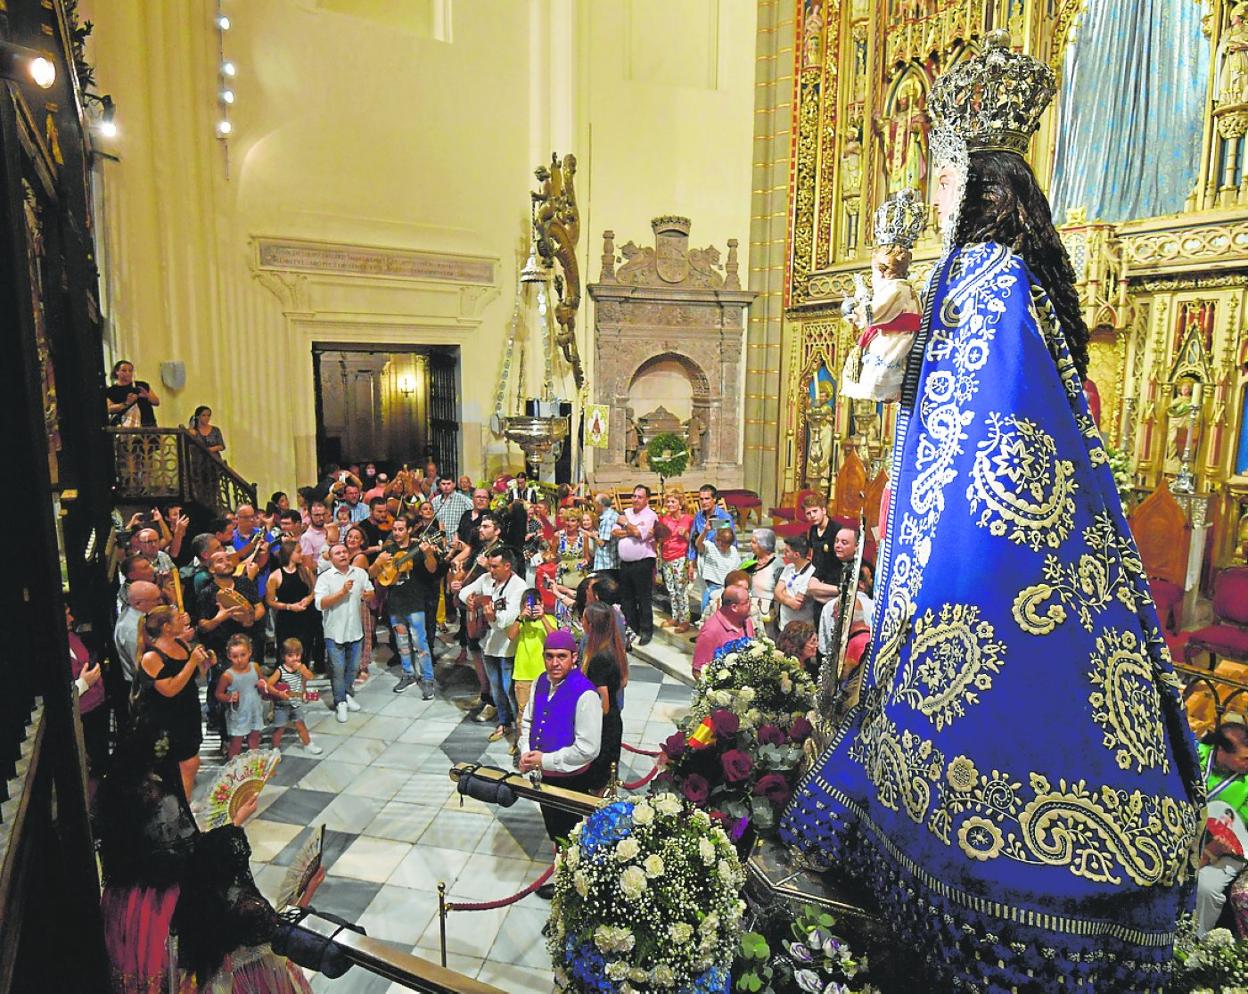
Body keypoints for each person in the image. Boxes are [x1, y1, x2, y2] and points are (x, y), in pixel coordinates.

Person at [780, 36, 1200, 992]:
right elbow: (888, 387)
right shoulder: (978, 275)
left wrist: (898, 338)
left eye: (941, 176)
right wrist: (885, 323)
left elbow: (993, 427)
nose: (931, 195)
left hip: (992, 545)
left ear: (976, 180)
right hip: (961, 524)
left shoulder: (994, 281)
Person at [96, 716, 314, 994]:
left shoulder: (117, 791)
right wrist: (233, 827)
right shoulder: (163, 804)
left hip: (129, 911)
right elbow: (197, 865)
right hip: (162, 913)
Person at [518, 629, 604, 851]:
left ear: (574, 657)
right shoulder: (540, 682)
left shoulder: (585, 694)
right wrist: (526, 752)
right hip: (544, 778)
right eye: (549, 656)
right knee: (554, 832)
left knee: (571, 837)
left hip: (571, 781)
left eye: (561, 656)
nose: (554, 662)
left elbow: (588, 749)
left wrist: (544, 760)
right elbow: (528, 720)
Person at [134, 606, 212, 799]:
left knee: (190, 762)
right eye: (178, 618)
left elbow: (195, 676)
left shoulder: (181, 644)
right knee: (185, 764)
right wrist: (192, 662)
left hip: (188, 711)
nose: (184, 620)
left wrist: (205, 662)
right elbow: (169, 689)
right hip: (168, 719)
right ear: (167, 627)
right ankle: (180, 810)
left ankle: (183, 806)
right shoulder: (152, 657)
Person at [455, 548, 524, 745]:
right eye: (490, 565)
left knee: (509, 689)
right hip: (488, 643)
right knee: (496, 688)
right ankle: (504, 722)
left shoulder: (518, 587)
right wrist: (469, 598)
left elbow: (507, 621)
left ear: (507, 566)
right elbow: (464, 592)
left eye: (495, 566)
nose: (490, 570)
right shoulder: (486, 579)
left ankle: (520, 732)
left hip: (507, 647)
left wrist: (493, 616)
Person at [376, 515, 437, 698]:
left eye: (401, 529)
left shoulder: (416, 548)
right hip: (395, 602)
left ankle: (427, 679)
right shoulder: (388, 548)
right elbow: (375, 572)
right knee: (402, 643)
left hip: (415, 601)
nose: (396, 533)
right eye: (394, 529)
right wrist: (379, 563)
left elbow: (432, 569)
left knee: (420, 642)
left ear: (409, 530)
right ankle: (408, 674)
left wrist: (428, 553)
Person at [314, 543, 375, 722]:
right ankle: (339, 701)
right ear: (331, 558)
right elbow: (320, 604)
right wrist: (342, 592)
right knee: (338, 668)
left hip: (355, 629)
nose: (342, 555)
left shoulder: (360, 573)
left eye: (344, 552)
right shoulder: (325, 578)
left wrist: (369, 595)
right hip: (334, 632)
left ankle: (347, 694)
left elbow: (370, 591)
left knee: (354, 667)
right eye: (337, 553)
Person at [506, 588, 557, 755]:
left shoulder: (549, 620)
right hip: (523, 676)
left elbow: (555, 639)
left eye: (536, 604)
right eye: (529, 605)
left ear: (542, 604)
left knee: (546, 713)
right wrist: (521, 617)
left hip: (546, 676)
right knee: (523, 714)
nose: (533, 608)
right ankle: (522, 748)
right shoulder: (520, 622)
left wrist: (542, 617)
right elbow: (511, 636)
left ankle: (543, 745)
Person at [265, 539, 320, 671]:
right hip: (286, 620)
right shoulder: (275, 576)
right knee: (286, 651)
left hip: (306, 618)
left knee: (305, 649)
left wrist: (308, 598)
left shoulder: (305, 571)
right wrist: (289, 607)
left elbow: (315, 590)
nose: (301, 554)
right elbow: (270, 601)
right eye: (299, 552)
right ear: (289, 553)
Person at [613, 485, 658, 645]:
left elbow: (641, 534)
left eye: (639, 497)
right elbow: (614, 532)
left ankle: (646, 630)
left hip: (643, 562)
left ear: (647, 499)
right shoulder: (626, 513)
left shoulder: (650, 515)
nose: (635, 499)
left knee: (643, 598)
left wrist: (626, 525)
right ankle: (631, 628)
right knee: (627, 598)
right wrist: (632, 529)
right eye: (634, 496)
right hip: (625, 563)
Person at [215, 634, 267, 760]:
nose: (239, 659)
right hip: (239, 714)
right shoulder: (228, 675)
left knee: (254, 738)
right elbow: (218, 694)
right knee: (236, 743)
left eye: (243, 655)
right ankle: (232, 767)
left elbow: (263, 683)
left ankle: (253, 763)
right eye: (235, 656)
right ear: (229, 656)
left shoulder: (255, 667)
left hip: (255, 709)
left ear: (250, 652)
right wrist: (229, 697)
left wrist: (262, 685)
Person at [268, 638, 323, 755]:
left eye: (297, 655)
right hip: (282, 705)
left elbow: (310, 677)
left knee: (300, 724)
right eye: (290, 655)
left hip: (296, 703)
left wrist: (303, 670)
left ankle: (308, 744)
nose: (295, 658)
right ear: (283, 656)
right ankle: (275, 748)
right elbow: (269, 685)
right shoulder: (280, 670)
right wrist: (278, 693)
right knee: (280, 728)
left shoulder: (301, 669)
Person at [692, 585, 755, 679]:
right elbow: (698, 672)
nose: (751, 605)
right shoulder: (711, 631)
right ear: (734, 607)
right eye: (747, 602)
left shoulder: (747, 621)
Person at [657, 491, 694, 632]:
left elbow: (694, 540)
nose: (670, 504)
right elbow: (659, 537)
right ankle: (675, 616)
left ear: (680, 503)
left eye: (673, 502)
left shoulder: (688, 519)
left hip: (680, 557)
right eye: (668, 502)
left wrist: (685, 534)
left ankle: (685, 620)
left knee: (681, 590)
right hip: (666, 557)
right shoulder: (664, 519)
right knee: (671, 589)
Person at [694, 519, 743, 617]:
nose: (722, 546)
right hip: (713, 587)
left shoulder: (733, 551)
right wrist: (705, 531)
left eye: (725, 545)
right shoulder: (709, 547)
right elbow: (698, 544)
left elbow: (737, 568)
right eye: (720, 543)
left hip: (727, 587)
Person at [746, 528, 783, 639]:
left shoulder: (777, 565)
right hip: (750, 612)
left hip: (768, 615)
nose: (750, 545)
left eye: (754, 542)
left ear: (764, 544)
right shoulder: (749, 559)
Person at [773, 536, 817, 630]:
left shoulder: (811, 573)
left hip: (802, 629)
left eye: (787, 551)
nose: (784, 554)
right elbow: (776, 593)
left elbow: (796, 605)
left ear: (796, 555)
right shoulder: (788, 568)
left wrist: (783, 594)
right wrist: (788, 599)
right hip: (784, 626)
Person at [105, 359, 160, 426]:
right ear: (117, 372)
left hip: (148, 424)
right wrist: (126, 404)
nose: (128, 373)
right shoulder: (112, 390)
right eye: (124, 370)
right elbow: (109, 409)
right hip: (125, 427)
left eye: (130, 371)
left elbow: (156, 402)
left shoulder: (142, 385)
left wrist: (147, 396)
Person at [591, 492, 620, 573]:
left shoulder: (607, 519)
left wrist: (595, 536)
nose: (595, 508)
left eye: (595, 505)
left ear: (600, 505)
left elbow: (602, 543)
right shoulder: (614, 514)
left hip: (606, 564)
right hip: (613, 562)